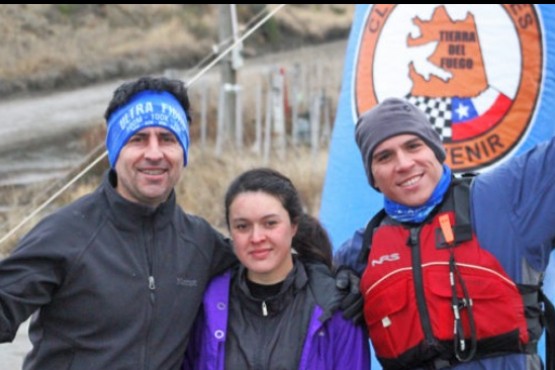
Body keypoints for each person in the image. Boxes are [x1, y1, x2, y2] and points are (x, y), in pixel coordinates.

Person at [0, 76, 239, 370]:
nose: (154, 153)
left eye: (167, 138)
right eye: (137, 139)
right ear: (115, 151)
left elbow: (275, 273)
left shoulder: (201, 243)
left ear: (183, 152)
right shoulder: (65, 234)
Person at [335, 97, 554, 370]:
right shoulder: (357, 254)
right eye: (384, 157)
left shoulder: (505, 198)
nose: (403, 164)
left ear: (436, 150)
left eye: (413, 146)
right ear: (373, 176)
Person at [184, 167, 370, 370]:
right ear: (230, 232)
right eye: (242, 226)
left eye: (270, 223)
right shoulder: (206, 303)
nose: (256, 238)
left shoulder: (336, 305)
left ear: (293, 226)